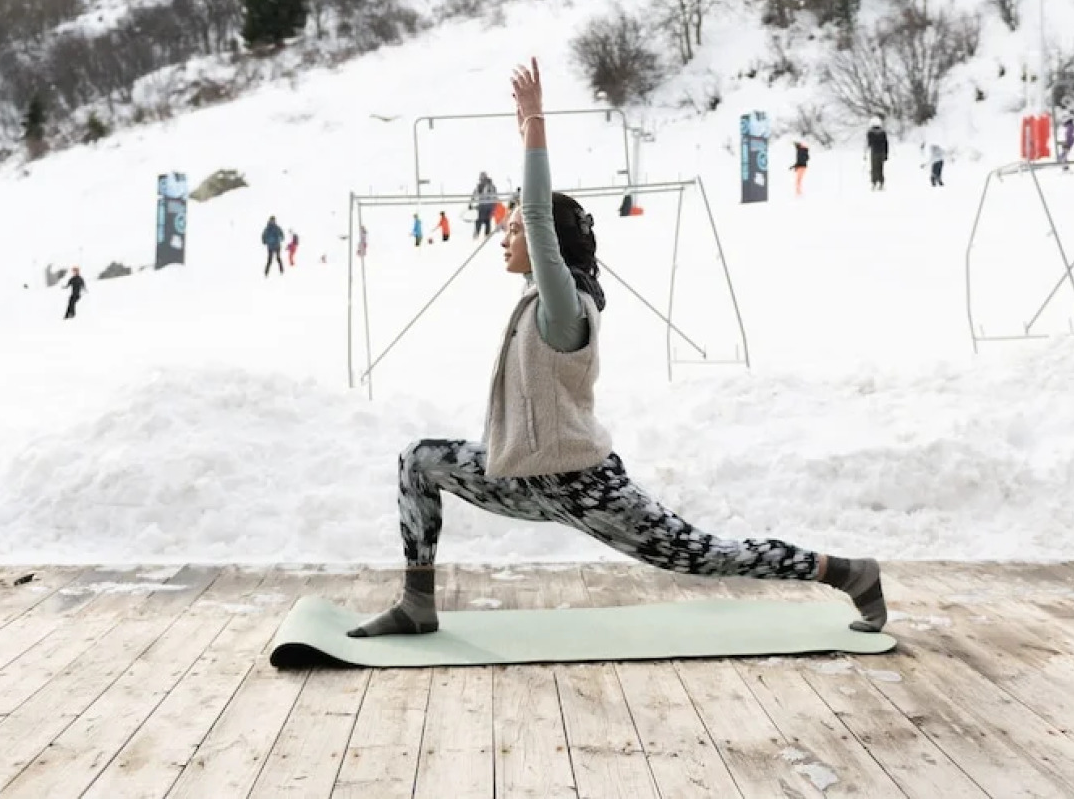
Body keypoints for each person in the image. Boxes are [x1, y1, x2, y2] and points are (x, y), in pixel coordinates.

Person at [348, 57, 885, 639]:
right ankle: (418, 603)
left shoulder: (565, 304)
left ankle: (849, 573)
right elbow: (532, 220)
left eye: (514, 231)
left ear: (547, 243)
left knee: (705, 555)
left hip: (583, 485)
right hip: (522, 477)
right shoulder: (537, 297)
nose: (505, 238)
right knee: (419, 460)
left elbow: (536, 212)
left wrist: (534, 124)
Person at [472, 173, 499, 240]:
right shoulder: (480, 186)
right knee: (486, 221)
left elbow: (494, 196)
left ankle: (481, 235)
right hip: (484, 205)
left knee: (482, 221)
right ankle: (485, 235)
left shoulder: (490, 186)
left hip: (486, 206)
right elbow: (474, 194)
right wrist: (471, 203)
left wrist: (494, 206)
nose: (481, 180)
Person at [866, 118, 890, 191]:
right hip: (882, 152)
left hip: (874, 152)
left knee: (874, 168)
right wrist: (886, 154)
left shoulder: (870, 133)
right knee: (880, 168)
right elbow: (886, 143)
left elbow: (869, 143)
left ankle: (874, 183)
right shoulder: (883, 132)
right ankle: (881, 183)